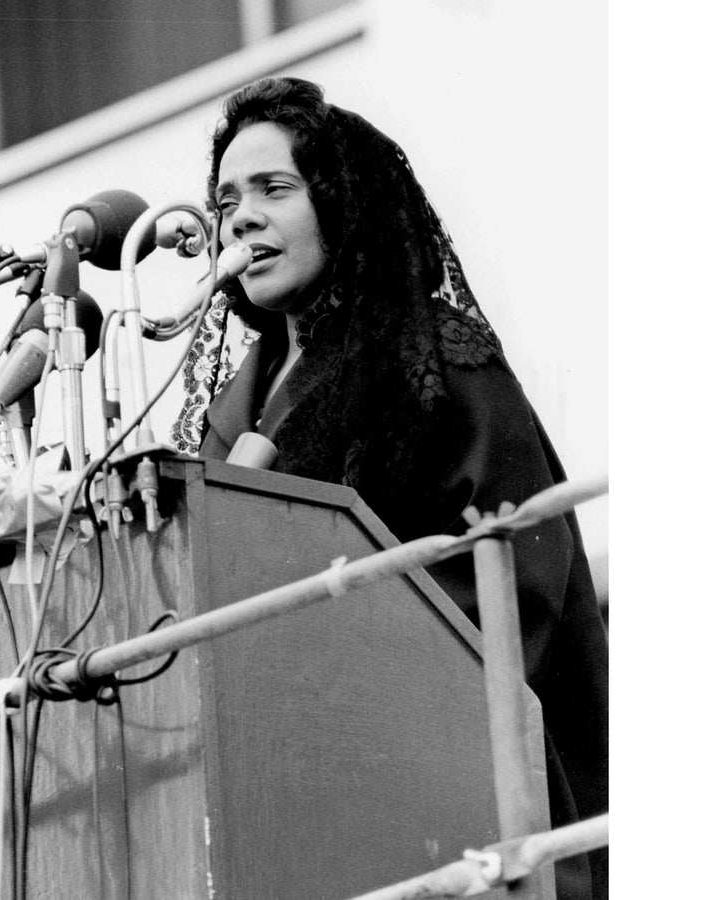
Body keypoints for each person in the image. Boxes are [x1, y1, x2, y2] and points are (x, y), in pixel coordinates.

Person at [172, 76, 608, 900]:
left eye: (275, 188)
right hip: (276, 806)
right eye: (227, 198)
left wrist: (334, 664)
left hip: (446, 795)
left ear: (342, 204)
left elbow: (516, 590)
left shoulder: (437, 366)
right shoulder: (232, 410)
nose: (241, 217)